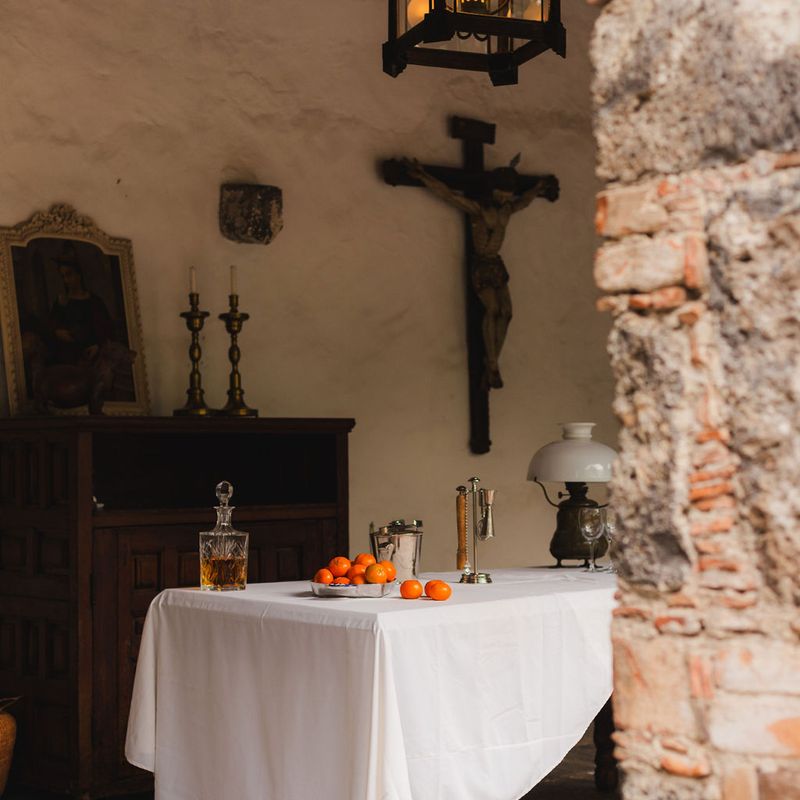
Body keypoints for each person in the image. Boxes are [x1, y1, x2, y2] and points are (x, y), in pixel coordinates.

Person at [403, 157, 553, 389]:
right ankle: (492, 364)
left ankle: (493, 363)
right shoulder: (479, 209)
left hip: (496, 264)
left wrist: (537, 188)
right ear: (492, 190)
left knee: (507, 313)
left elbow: (524, 201)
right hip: (481, 265)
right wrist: (424, 176)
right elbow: (449, 195)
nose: (504, 197)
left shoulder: (507, 210)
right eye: (501, 193)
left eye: (506, 194)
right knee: (492, 310)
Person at [47, 258, 113, 366]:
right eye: (63, 276)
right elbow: (52, 326)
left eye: (69, 275)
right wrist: (57, 332)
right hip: (69, 355)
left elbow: (106, 329)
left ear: (79, 275)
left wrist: (97, 345)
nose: (66, 280)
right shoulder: (61, 301)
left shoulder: (95, 301)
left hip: (93, 353)